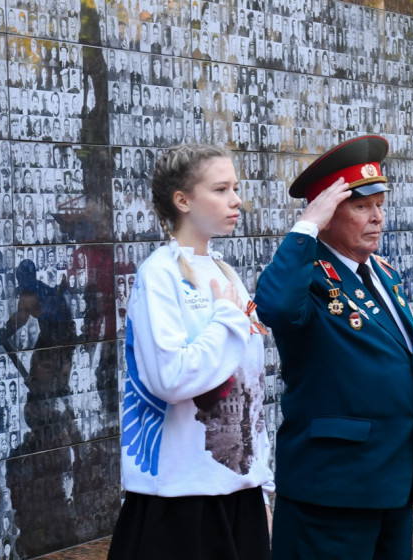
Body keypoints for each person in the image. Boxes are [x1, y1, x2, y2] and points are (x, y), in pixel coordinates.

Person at [254, 136, 413, 559]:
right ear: (329, 214)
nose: (377, 217)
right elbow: (275, 307)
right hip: (333, 490)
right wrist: (305, 228)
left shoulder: (382, 272)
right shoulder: (309, 276)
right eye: (362, 206)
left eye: (380, 205)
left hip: (391, 478)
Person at [107, 143, 273, 560]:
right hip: (181, 499)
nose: (236, 200)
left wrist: (261, 482)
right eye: (220, 189)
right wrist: (226, 320)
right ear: (182, 201)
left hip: (238, 490)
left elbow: (251, 388)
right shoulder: (159, 274)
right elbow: (171, 378)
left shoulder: (224, 271)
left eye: (235, 187)